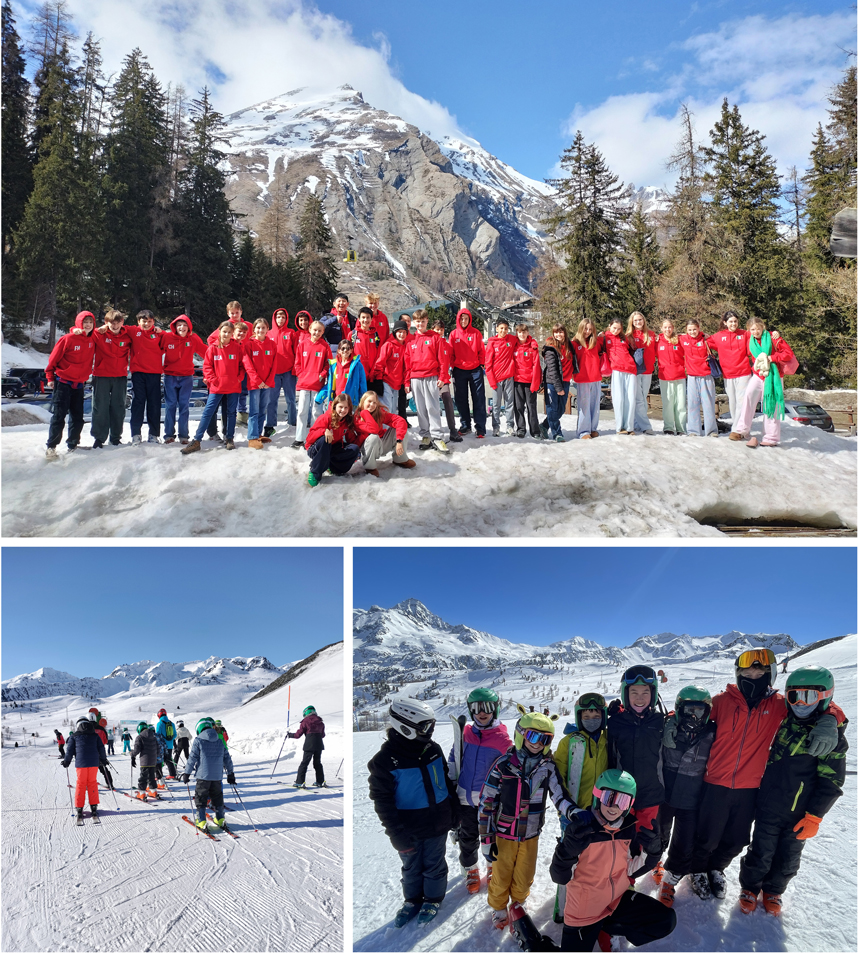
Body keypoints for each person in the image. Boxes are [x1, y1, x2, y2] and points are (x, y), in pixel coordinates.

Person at [686, 648, 842, 901]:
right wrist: (672, 720)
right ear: (738, 673)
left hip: (751, 787)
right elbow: (689, 712)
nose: (754, 674)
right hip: (716, 782)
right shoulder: (721, 702)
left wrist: (831, 719)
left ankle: (717, 868)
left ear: (769, 673)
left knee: (737, 840)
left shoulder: (779, 705)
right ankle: (698, 870)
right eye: (748, 669)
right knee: (707, 836)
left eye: (760, 669)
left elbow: (813, 704)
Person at [738, 666, 847, 916]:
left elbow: (831, 781)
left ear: (825, 697)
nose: (799, 703)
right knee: (761, 850)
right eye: (793, 696)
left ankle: (774, 890)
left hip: (799, 810)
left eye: (808, 697)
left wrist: (815, 815)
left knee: (789, 855)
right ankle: (750, 887)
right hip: (767, 804)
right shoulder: (783, 718)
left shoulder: (830, 737)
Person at [550, 769, 675, 952]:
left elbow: (631, 869)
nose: (614, 806)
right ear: (597, 795)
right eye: (609, 797)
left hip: (616, 902)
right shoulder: (582, 831)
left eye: (622, 800)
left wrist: (653, 853)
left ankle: (609, 929)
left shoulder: (628, 829)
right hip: (584, 914)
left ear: (629, 804)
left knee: (665, 920)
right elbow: (559, 876)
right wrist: (566, 851)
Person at [479, 708, 576, 929]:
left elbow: (559, 795)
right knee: (501, 876)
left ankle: (518, 904)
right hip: (504, 834)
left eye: (545, 739)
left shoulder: (548, 767)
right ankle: (498, 907)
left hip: (530, 834)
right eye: (533, 736)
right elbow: (486, 803)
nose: (537, 743)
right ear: (521, 735)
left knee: (524, 877)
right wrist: (486, 840)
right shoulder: (503, 765)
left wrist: (572, 812)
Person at [368, 700, 457, 927]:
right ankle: (413, 900)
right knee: (411, 867)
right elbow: (382, 801)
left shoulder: (433, 750)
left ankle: (433, 899)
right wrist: (395, 833)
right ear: (404, 727)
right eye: (425, 727)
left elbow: (444, 783)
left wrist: (454, 810)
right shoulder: (385, 761)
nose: (431, 732)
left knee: (434, 864)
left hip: (437, 823)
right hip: (408, 829)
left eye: (432, 726)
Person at [655, 686, 716, 906]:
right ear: (679, 710)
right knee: (658, 833)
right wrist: (670, 721)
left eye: (699, 711)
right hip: (665, 795)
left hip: (691, 799)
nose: (693, 716)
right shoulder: (667, 728)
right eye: (688, 710)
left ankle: (670, 881)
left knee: (684, 843)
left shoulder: (712, 733)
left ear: (707, 712)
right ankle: (655, 863)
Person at [447, 689, 511, 894]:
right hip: (465, 798)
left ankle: (492, 865)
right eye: (476, 708)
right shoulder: (465, 734)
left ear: (495, 709)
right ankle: (471, 869)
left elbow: (509, 770)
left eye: (487, 708)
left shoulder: (502, 740)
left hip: (490, 801)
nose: (481, 713)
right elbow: (454, 757)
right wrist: (450, 781)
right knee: (467, 838)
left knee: (490, 837)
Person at [606, 665, 664, 875]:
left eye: (645, 692)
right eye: (634, 693)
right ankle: (624, 877)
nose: (640, 698)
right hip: (623, 794)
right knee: (624, 837)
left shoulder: (660, 721)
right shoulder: (615, 723)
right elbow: (609, 756)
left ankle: (652, 862)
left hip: (651, 791)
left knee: (649, 834)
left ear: (654, 694)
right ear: (625, 694)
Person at [730, 318, 796, 448]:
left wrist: (772, 358)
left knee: (771, 403)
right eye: (752, 329)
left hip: (773, 375)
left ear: (763, 327)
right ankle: (742, 430)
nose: (755, 332)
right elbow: (733, 335)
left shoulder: (773, 337)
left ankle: (771, 437)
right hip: (758, 374)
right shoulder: (751, 341)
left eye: (758, 329)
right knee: (748, 396)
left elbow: (788, 354)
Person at [181, 321, 245, 454]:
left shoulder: (237, 347)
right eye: (224, 331)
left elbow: (241, 366)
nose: (226, 334)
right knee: (208, 412)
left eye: (229, 332)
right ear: (220, 332)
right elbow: (207, 367)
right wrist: (212, 380)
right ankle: (197, 440)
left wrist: (238, 378)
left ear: (232, 333)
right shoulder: (212, 348)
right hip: (217, 387)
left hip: (233, 386)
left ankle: (229, 438)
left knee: (231, 413)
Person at [44, 311, 96, 458]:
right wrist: (50, 377)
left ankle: (73, 444)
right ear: (79, 322)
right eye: (85, 322)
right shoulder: (68, 339)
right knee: (59, 416)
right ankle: (51, 446)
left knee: (77, 417)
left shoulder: (92, 340)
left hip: (79, 384)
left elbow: (107, 330)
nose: (87, 325)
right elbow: (53, 360)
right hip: (63, 382)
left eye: (90, 322)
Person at [179, 716, 236, 831]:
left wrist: (187, 773)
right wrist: (230, 773)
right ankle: (220, 819)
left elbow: (192, 758)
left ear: (199, 729)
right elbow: (227, 758)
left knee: (201, 797)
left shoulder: (198, 740)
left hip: (202, 776)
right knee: (217, 797)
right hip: (217, 777)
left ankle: (201, 820)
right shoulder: (220, 741)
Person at [404, 309, 449, 453]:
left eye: (423, 321)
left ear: (427, 321)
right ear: (414, 322)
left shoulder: (435, 337)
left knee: (433, 407)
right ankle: (426, 435)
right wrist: (407, 382)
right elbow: (407, 363)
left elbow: (443, 359)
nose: (420, 324)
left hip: (431, 376)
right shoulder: (410, 340)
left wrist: (442, 376)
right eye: (417, 321)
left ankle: (437, 436)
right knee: (421, 408)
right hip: (416, 377)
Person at [160, 315, 207, 444]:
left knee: (184, 406)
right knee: (170, 405)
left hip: (186, 377)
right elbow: (155, 351)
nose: (182, 327)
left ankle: (184, 435)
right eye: (179, 325)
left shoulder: (193, 338)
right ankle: (169, 435)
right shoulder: (167, 337)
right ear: (175, 326)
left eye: (185, 325)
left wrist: (219, 356)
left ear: (189, 327)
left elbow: (206, 352)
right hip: (170, 376)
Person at [90, 309, 133, 447]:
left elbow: (142, 330)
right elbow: (82, 332)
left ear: (122, 322)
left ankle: (115, 437)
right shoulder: (99, 333)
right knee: (100, 407)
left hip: (120, 376)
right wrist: (99, 328)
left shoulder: (127, 335)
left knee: (119, 407)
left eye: (117, 323)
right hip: (101, 375)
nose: (114, 326)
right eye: (111, 323)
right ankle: (99, 437)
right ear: (106, 322)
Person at [207, 301, 253, 424]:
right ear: (228, 313)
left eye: (237, 313)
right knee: (229, 394)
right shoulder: (226, 326)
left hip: (245, 362)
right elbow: (211, 339)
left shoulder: (247, 325)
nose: (234, 315)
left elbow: (254, 338)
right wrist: (220, 349)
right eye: (232, 313)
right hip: (229, 363)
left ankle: (242, 415)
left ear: (241, 312)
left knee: (243, 390)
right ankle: (227, 419)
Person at [305, 393, 362, 488]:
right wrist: (324, 431)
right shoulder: (326, 417)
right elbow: (309, 438)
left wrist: (357, 451)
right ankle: (315, 471)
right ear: (335, 406)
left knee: (354, 449)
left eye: (346, 407)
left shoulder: (346, 421)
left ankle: (334, 468)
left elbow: (351, 438)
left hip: (332, 448)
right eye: (340, 407)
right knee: (325, 440)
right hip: (316, 448)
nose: (343, 410)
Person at [706, 310, 751, 426]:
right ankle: (737, 425)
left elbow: (759, 333)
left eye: (735, 321)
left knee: (742, 401)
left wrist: (773, 333)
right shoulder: (719, 336)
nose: (733, 324)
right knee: (733, 401)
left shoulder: (745, 334)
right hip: (728, 373)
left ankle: (738, 428)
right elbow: (703, 341)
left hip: (743, 372)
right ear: (725, 323)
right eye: (731, 321)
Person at [292, 321, 333, 449]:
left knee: (316, 411)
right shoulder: (302, 345)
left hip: (317, 384)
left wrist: (322, 374)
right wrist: (301, 374)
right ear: (310, 329)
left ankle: (315, 436)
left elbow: (328, 364)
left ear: (323, 332)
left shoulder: (324, 346)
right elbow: (297, 363)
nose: (316, 333)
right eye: (314, 330)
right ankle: (299, 438)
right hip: (304, 383)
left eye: (319, 331)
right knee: (302, 411)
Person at [126, 309, 164, 444]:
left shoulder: (159, 334)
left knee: (154, 404)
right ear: (138, 322)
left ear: (153, 321)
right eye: (144, 321)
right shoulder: (133, 331)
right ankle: (136, 434)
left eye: (149, 321)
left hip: (154, 373)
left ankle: (153, 434)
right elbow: (116, 325)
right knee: (138, 403)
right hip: (138, 373)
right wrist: (104, 326)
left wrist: (162, 331)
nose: (147, 324)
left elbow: (172, 339)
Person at [355, 391, 415, 476]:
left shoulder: (379, 413)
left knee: (400, 429)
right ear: (363, 401)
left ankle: (400, 459)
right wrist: (365, 413)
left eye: (374, 402)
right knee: (373, 437)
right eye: (369, 401)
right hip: (367, 448)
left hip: (381, 444)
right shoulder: (357, 417)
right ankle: (370, 467)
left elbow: (400, 421)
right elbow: (373, 429)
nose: (372, 404)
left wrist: (399, 440)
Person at [448, 308, 487, 437]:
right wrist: (454, 366)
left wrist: (481, 364)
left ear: (469, 320)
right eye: (461, 318)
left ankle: (480, 427)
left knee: (479, 399)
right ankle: (465, 425)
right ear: (458, 320)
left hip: (475, 370)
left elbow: (482, 350)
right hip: (459, 370)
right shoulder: (453, 334)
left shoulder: (476, 333)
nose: (464, 321)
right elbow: (450, 353)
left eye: (466, 318)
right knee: (461, 399)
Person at [62, 716, 108, 824]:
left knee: (81, 784)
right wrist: (103, 759)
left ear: (78, 725)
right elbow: (101, 748)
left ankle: (79, 808)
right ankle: (93, 807)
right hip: (93, 763)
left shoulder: (74, 736)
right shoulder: (95, 735)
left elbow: (69, 750)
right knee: (92, 783)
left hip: (81, 764)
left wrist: (66, 761)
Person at [678, 319, 718, 437]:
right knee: (692, 404)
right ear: (686, 330)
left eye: (694, 329)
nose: (692, 332)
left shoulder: (705, 339)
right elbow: (670, 337)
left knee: (708, 403)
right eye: (689, 330)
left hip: (706, 375)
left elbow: (719, 346)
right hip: (691, 376)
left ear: (699, 328)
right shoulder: (683, 339)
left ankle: (711, 431)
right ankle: (693, 431)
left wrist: (710, 337)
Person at [242, 318, 276, 449]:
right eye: (258, 328)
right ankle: (252, 436)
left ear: (267, 329)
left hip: (267, 384)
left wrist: (267, 381)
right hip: (254, 383)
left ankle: (258, 433)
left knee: (263, 409)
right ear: (254, 329)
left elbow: (274, 364)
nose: (260, 330)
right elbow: (247, 364)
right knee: (254, 410)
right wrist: (258, 381)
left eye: (263, 328)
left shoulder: (272, 345)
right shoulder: (249, 345)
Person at [265, 308, 298, 437]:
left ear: (286, 319)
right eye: (278, 317)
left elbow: (296, 352)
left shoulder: (291, 333)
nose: (281, 319)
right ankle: (270, 425)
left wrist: (295, 367)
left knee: (290, 398)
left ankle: (292, 423)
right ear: (274, 318)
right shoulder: (268, 334)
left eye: (283, 317)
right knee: (272, 399)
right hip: (274, 372)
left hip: (288, 371)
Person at [540, 325, 575, 442]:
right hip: (552, 382)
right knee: (552, 408)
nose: (558, 335)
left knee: (560, 410)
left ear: (564, 333)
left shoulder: (569, 345)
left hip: (565, 380)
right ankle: (557, 433)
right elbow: (552, 370)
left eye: (560, 332)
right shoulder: (550, 348)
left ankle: (544, 426)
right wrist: (558, 387)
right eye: (556, 332)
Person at [603, 319, 637, 435]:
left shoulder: (625, 338)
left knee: (630, 399)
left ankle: (629, 427)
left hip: (631, 369)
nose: (616, 330)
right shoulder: (604, 337)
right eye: (614, 328)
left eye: (618, 328)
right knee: (619, 399)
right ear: (609, 326)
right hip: (617, 370)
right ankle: (619, 427)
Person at [485, 318, 517, 437]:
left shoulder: (512, 340)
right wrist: (492, 381)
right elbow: (487, 364)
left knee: (509, 403)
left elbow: (525, 339)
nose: (504, 330)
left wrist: (534, 344)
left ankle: (510, 426)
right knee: (496, 405)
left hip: (509, 377)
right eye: (501, 328)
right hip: (496, 379)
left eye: (506, 328)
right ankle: (496, 427)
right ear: (497, 329)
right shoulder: (492, 343)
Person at [571, 320, 603, 439]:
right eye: (586, 329)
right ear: (581, 328)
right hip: (582, 378)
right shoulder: (575, 343)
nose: (588, 332)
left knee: (595, 406)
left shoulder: (596, 341)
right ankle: (583, 431)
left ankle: (592, 429)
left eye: (590, 329)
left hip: (596, 378)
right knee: (584, 406)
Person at [432, 319, 462, 443]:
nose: (439, 332)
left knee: (448, 400)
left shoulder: (447, 346)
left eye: (441, 330)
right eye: (437, 329)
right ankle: (432, 431)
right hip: (431, 377)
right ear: (433, 330)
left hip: (443, 379)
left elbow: (450, 360)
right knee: (431, 405)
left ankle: (453, 430)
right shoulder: (429, 343)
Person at [655, 320, 687, 436]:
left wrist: (703, 335)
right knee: (668, 403)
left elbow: (692, 336)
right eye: (665, 327)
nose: (667, 329)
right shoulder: (657, 341)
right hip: (665, 376)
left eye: (669, 327)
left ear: (673, 328)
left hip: (679, 375)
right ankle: (668, 427)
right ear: (661, 328)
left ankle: (681, 428)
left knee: (681, 403)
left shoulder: (679, 340)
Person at [317, 338, 367, 411]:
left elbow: (362, 384)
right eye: (343, 348)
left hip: (351, 401)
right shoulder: (333, 366)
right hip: (337, 401)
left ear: (351, 350)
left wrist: (363, 401)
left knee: (350, 422)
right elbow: (330, 384)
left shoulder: (357, 365)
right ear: (339, 351)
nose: (345, 350)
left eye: (348, 348)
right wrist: (320, 397)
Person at [627, 311, 657, 434]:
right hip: (635, 370)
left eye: (640, 320)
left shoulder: (651, 334)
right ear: (632, 322)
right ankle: (645, 426)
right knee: (638, 398)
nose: (638, 322)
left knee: (643, 397)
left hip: (648, 370)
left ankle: (637, 423)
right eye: (635, 320)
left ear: (643, 320)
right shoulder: (629, 335)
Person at [511, 324, 542, 439]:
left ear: (528, 333)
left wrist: (536, 382)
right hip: (517, 380)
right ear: (517, 333)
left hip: (529, 381)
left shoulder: (532, 347)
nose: (522, 334)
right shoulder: (514, 346)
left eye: (524, 332)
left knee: (531, 407)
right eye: (519, 332)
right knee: (518, 406)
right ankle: (521, 429)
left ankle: (535, 430)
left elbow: (536, 365)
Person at [372, 319, 409, 417]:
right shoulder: (389, 345)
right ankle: (384, 429)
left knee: (393, 408)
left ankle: (391, 429)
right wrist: (378, 379)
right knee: (386, 407)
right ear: (395, 333)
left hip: (397, 383)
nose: (402, 334)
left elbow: (406, 367)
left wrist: (405, 382)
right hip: (387, 381)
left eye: (404, 332)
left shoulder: (406, 346)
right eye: (399, 332)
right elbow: (380, 363)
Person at [287, 705, 327, 788]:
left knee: (304, 763)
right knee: (317, 763)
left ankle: (300, 782)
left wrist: (290, 735)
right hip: (319, 744)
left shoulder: (305, 722)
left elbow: (298, 735)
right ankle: (320, 781)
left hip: (309, 744)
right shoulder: (321, 722)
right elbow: (323, 735)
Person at [351, 308, 383, 395]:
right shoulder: (353, 335)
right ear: (359, 319)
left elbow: (379, 354)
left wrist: (373, 371)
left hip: (372, 376)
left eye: (368, 317)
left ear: (371, 319)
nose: (365, 320)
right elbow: (349, 354)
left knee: (370, 401)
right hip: (357, 373)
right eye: (363, 317)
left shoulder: (375, 335)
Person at [155, 708, 178, 778]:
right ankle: (172, 774)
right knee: (169, 759)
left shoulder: (160, 723)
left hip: (162, 745)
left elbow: (158, 735)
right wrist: (170, 739)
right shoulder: (172, 723)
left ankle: (159, 775)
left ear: (159, 715)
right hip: (170, 745)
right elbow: (175, 735)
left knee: (159, 760)